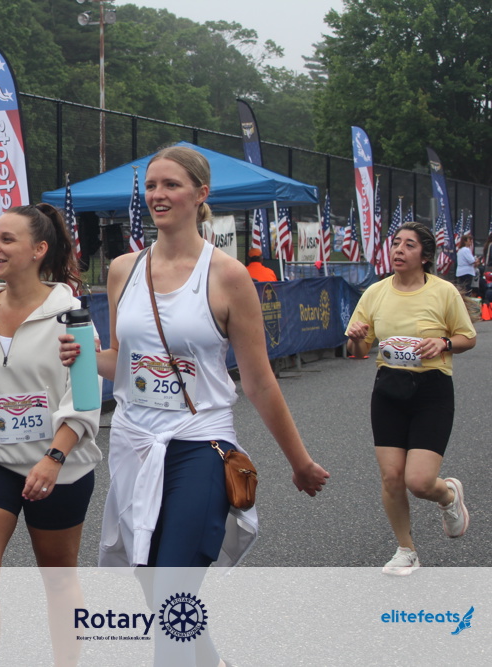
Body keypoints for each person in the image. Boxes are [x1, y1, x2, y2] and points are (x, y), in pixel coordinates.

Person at [60, 145, 329, 667]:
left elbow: (259, 381)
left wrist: (299, 462)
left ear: (201, 193)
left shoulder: (228, 276)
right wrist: (85, 358)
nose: (158, 195)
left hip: (200, 443)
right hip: (135, 444)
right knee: (153, 585)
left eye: (171, 185)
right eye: (151, 186)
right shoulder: (122, 270)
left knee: (172, 587)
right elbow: (124, 361)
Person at [0, 203, 102, 666]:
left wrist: (53, 459)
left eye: (6, 239)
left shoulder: (71, 316)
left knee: (58, 580)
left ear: (38, 250)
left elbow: (84, 399)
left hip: (59, 467)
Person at [346, 220, 477, 576]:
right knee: (392, 477)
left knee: (418, 482)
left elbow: (467, 337)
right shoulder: (375, 293)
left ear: (425, 256)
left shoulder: (443, 292)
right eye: (396, 243)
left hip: (432, 390)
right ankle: (406, 550)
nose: (399, 250)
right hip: (388, 390)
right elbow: (357, 351)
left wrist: (444, 343)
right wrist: (356, 337)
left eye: (409, 245)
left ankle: (448, 495)